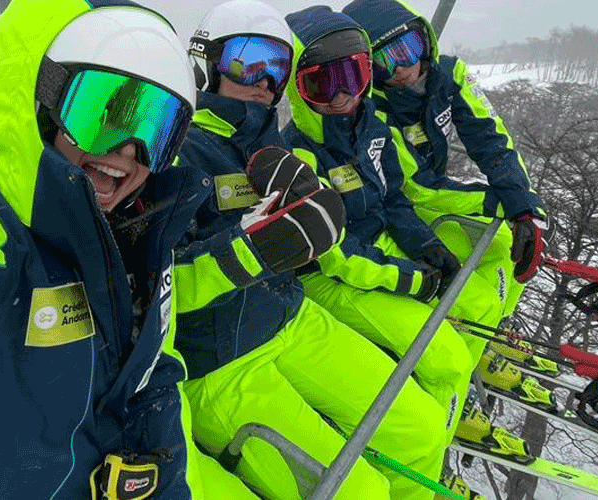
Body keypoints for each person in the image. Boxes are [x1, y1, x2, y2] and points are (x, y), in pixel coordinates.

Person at [0, 1, 258, 498]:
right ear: (44, 105)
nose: (128, 151)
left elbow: (151, 385)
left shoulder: (138, 242)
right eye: (105, 113)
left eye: (155, 131)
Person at [172, 2, 449, 499]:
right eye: (247, 60)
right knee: (358, 493)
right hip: (223, 362)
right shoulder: (176, 150)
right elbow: (155, 289)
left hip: (292, 316)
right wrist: (250, 249)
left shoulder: (273, 144)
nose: (263, 79)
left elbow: (330, 231)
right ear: (204, 62)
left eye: (277, 67)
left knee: (423, 428)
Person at [281, 6, 534, 456]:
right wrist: (407, 275)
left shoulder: (369, 127)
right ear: (299, 91)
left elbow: (395, 198)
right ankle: (432, 439)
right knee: (448, 357)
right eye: (323, 84)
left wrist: (426, 246)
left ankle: (452, 405)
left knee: (476, 301)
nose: (342, 96)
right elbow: (336, 250)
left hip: (378, 254)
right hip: (335, 276)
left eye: (354, 77)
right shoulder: (299, 156)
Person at [343, 0, 561, 382]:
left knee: (508, 250)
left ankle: (488, 334)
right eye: (384, 62)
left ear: (425, 41)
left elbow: (490, 137)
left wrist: (521, 204)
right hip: (407, 210)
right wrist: (494, 203)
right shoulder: (373, 109)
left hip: (433, 198)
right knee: (487, 259)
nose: (402, 69)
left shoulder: (448, 74)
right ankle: (466, 367)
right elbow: (415, 188)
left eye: (407, 50)